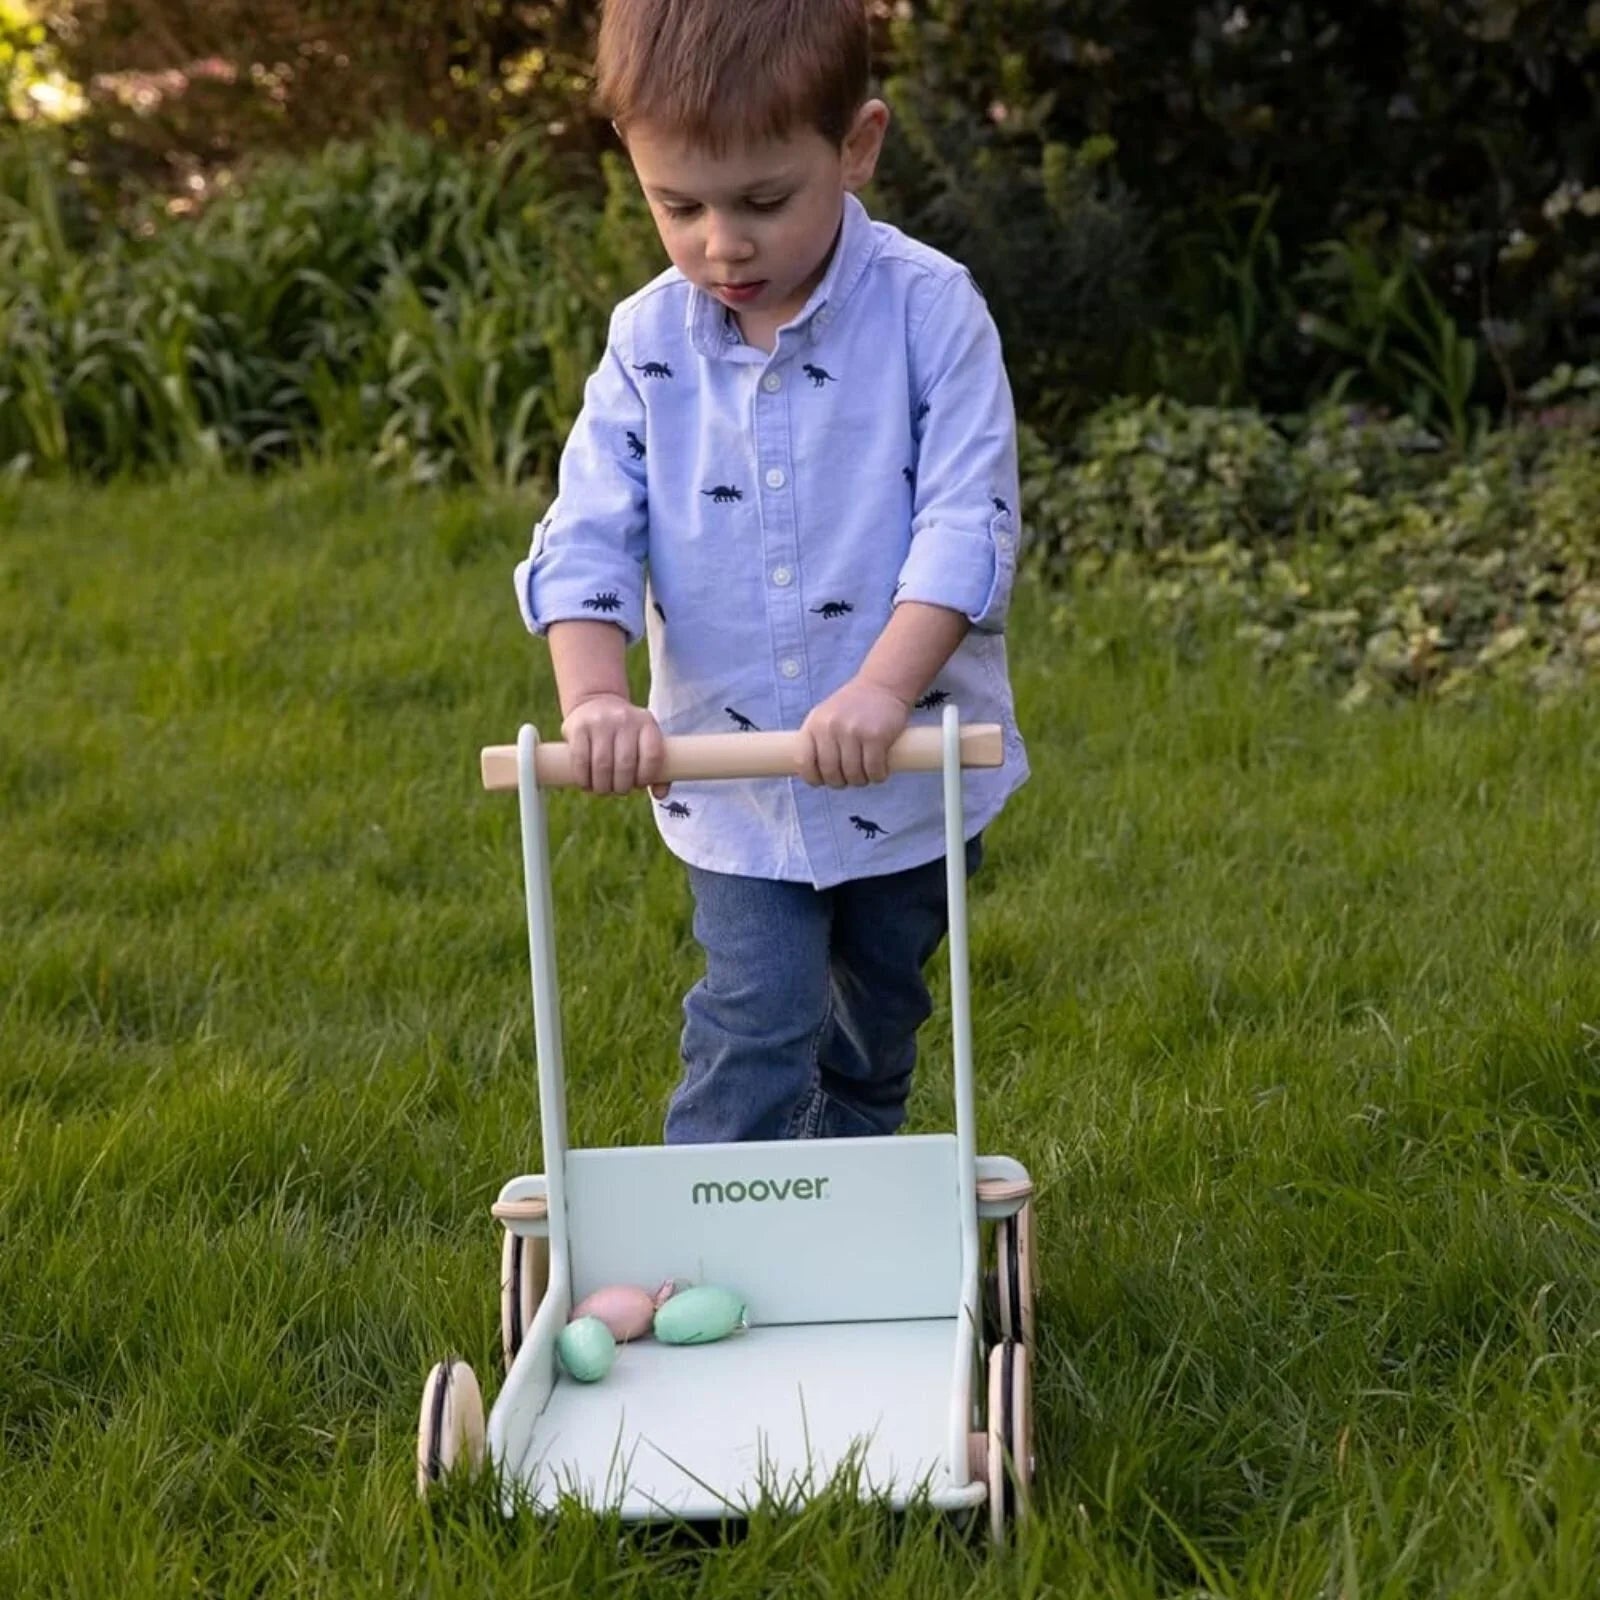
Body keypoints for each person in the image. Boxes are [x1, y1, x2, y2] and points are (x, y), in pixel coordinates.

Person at [513, 0, 1028, 1144]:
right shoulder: (648, 345)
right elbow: (590, 530)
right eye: (676, 205)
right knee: (760, 1009)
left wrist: (883, 690)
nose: (719, 245)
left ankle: (851, 1213)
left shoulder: (929, 312)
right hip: (734, 779)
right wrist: (595, 698)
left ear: (855, 148)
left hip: (905, 763)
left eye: (760, 202)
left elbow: (965, 523)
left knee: (876, 1018)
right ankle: (707, 1227)